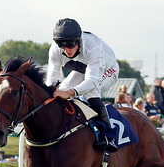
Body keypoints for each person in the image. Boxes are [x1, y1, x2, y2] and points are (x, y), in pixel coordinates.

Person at [45, 18, 119, 151]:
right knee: (59, 91)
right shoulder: (55, 50)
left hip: (107, 70)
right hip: (81, 70)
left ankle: (108, 136)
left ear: (78, 40)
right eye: (62, 45)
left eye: (70, 45)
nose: (66, 50)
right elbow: (52, 78)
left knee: (91, 93)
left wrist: (69, 93)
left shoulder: (94, 47)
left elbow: (91, 81)